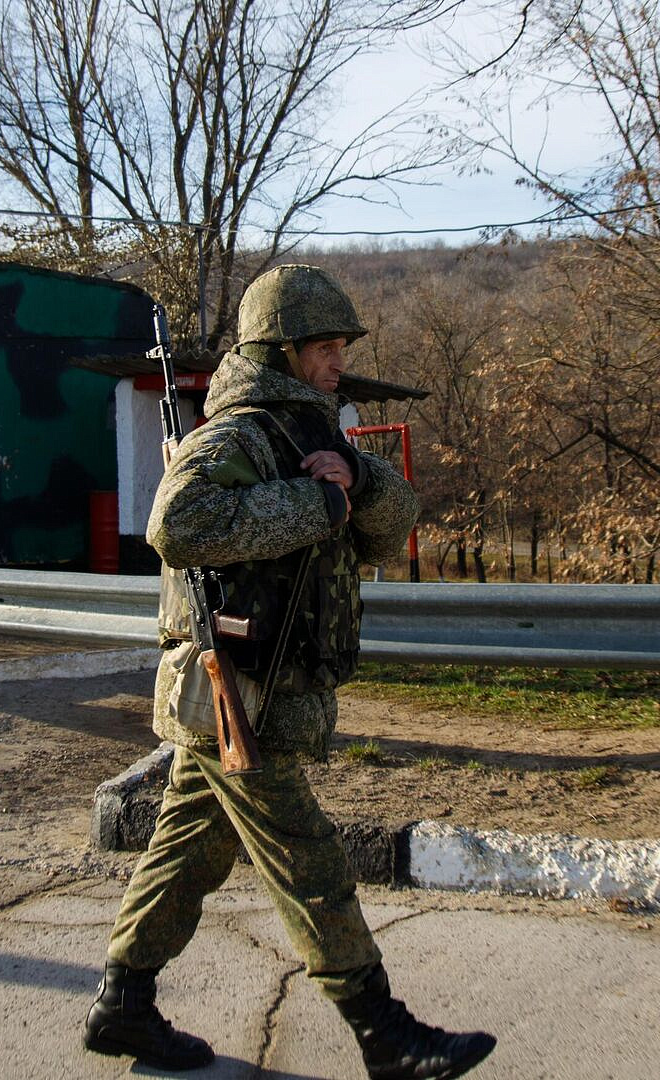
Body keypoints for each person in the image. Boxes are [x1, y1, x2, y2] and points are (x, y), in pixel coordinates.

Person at [83, 266, 496, 1080]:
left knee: (188, 852)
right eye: (326, 347)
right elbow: (177, 521)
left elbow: (387, 530)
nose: (339, 360)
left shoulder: (313, 433)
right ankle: (385, 1035)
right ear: (282, 351)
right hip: (238, 691)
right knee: (309, 859)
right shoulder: (240, 433)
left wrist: (357, 483)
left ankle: (123, 1005)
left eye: (343, 345)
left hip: (254, 690)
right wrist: (314, 507)